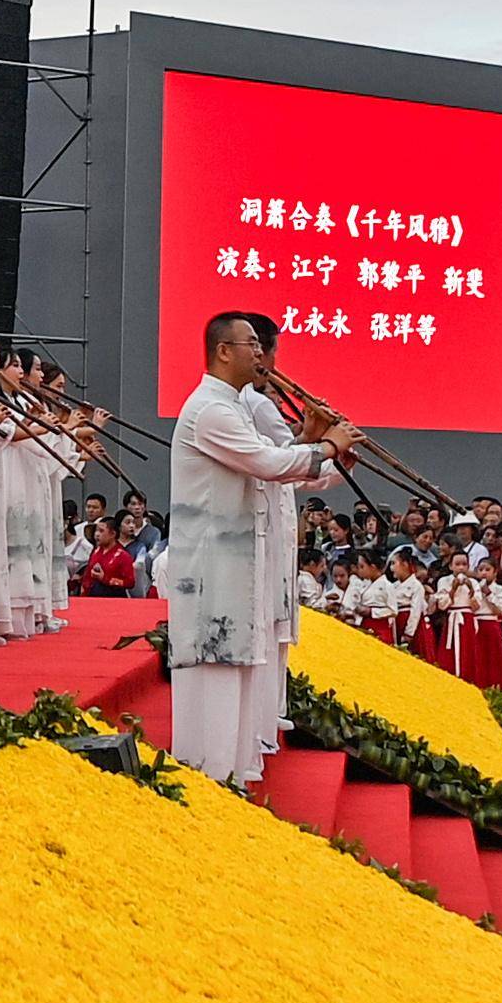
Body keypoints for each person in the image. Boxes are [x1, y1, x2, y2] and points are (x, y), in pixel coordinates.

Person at [163, 308, 348, 791]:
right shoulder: (212, 408)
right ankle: (211, 773)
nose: (262, 354)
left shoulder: (237, 406)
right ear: (224, 351)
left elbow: (273, 470)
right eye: (252, 344)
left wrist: (318, 446)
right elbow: (266, 461)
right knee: (217, 665)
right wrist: (324, 448)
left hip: (238, 560)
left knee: (240, 663)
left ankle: (235, 769)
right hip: (213, 562)